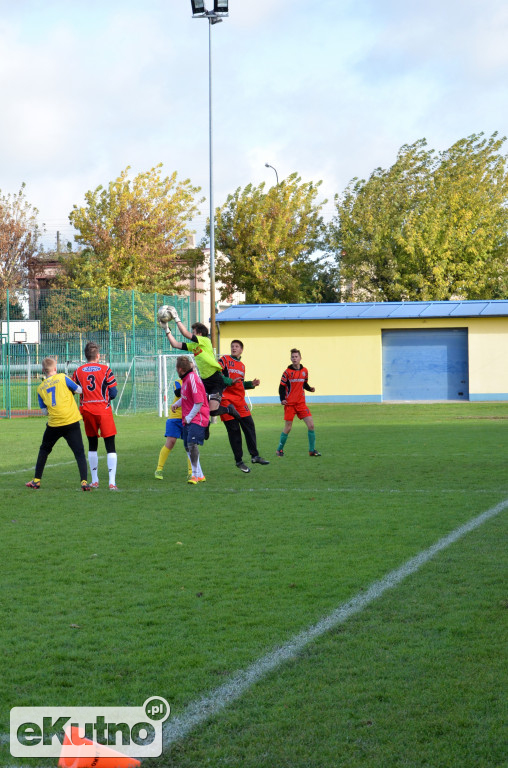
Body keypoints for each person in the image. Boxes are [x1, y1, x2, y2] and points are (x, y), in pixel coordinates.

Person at [159, 308, 240, 425]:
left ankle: (229, 410)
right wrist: (167, 329)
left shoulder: (205, 341)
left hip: (216, 379)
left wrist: (176, 318)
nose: (192, 333)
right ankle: (203, 429)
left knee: (213, 411)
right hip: (204, 381)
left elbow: (185, 333)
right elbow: (175, 344)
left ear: (200, 334)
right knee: (199, 405)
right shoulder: (193, 346)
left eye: (194, 331)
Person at [25, 357, 92, 491]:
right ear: (55, 368)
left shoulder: (40, 388)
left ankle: (36, 480)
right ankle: (84, 482)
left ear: (43, 370)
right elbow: (79, 390)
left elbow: (44, 412)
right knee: (79, 452)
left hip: (54, 424)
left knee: (44, 450)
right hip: (71, 421)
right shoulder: (62, 377)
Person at [72, 341, 119, 490]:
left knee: (92, 445)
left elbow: (74, 390)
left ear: (86, 356)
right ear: (98, 355)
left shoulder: (78, 371)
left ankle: (95, 480)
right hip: (103, 410)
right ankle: (112, 482)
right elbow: (113, 392)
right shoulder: (105, 369)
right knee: (110, 445)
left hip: (87, 410)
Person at [219, 339, 270, 473]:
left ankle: (255, 456)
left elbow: (239, 383)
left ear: (242, 350)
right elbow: (216, 375)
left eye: (237, 346)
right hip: (226, 401)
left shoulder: (242, 365)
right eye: (232, 346)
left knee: (249, 426)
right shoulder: (224, 359)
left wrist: (250, 384)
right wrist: (229, 381)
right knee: (234, 431)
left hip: (240, 402)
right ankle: (239, 461)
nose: (234, 348)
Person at [171, 356, 209, 484]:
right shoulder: (186, 379)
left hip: (197, 417)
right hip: (189, 418)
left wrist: (189, 417)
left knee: (192, 444)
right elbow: (187, 397)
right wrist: (178, 404)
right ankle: (200, 475)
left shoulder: (192, 378)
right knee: (187, 446)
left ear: (180, 369)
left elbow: (199, 402)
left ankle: (194, 475)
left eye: (176, 368)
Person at [276, 348, 321, 457]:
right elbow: (281, 387)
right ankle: (279, 450)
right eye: (293, 357)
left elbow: (304, 383)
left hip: (301, 404)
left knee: (311, 425)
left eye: (296, 357)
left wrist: (310, 389)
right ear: (290, 358)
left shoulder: (305, 370)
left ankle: (311, 450)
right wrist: (282, 399)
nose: (294, 358)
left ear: (300, 358)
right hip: (290, 404)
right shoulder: (287, 372)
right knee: (288, 427)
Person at [154, 377, 193, 480]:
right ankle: (159, 469)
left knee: (189, 445)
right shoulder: (178, 382)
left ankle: (191, 472)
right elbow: (178, 393)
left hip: (188, 418)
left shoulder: (195, 383)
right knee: (170, 442)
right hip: (175, 417)